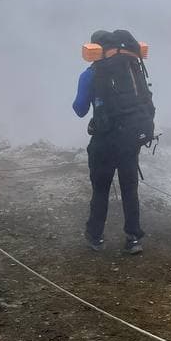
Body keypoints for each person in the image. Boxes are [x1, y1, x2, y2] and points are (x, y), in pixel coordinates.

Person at [73, 29, 155, 256]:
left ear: (95, 50)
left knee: (100, 189)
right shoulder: (132, 67)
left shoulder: (91, 74)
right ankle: (133, 238)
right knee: (130, 188)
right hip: (130, 139)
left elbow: (79, 109)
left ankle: (95, 236)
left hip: (105, 141)